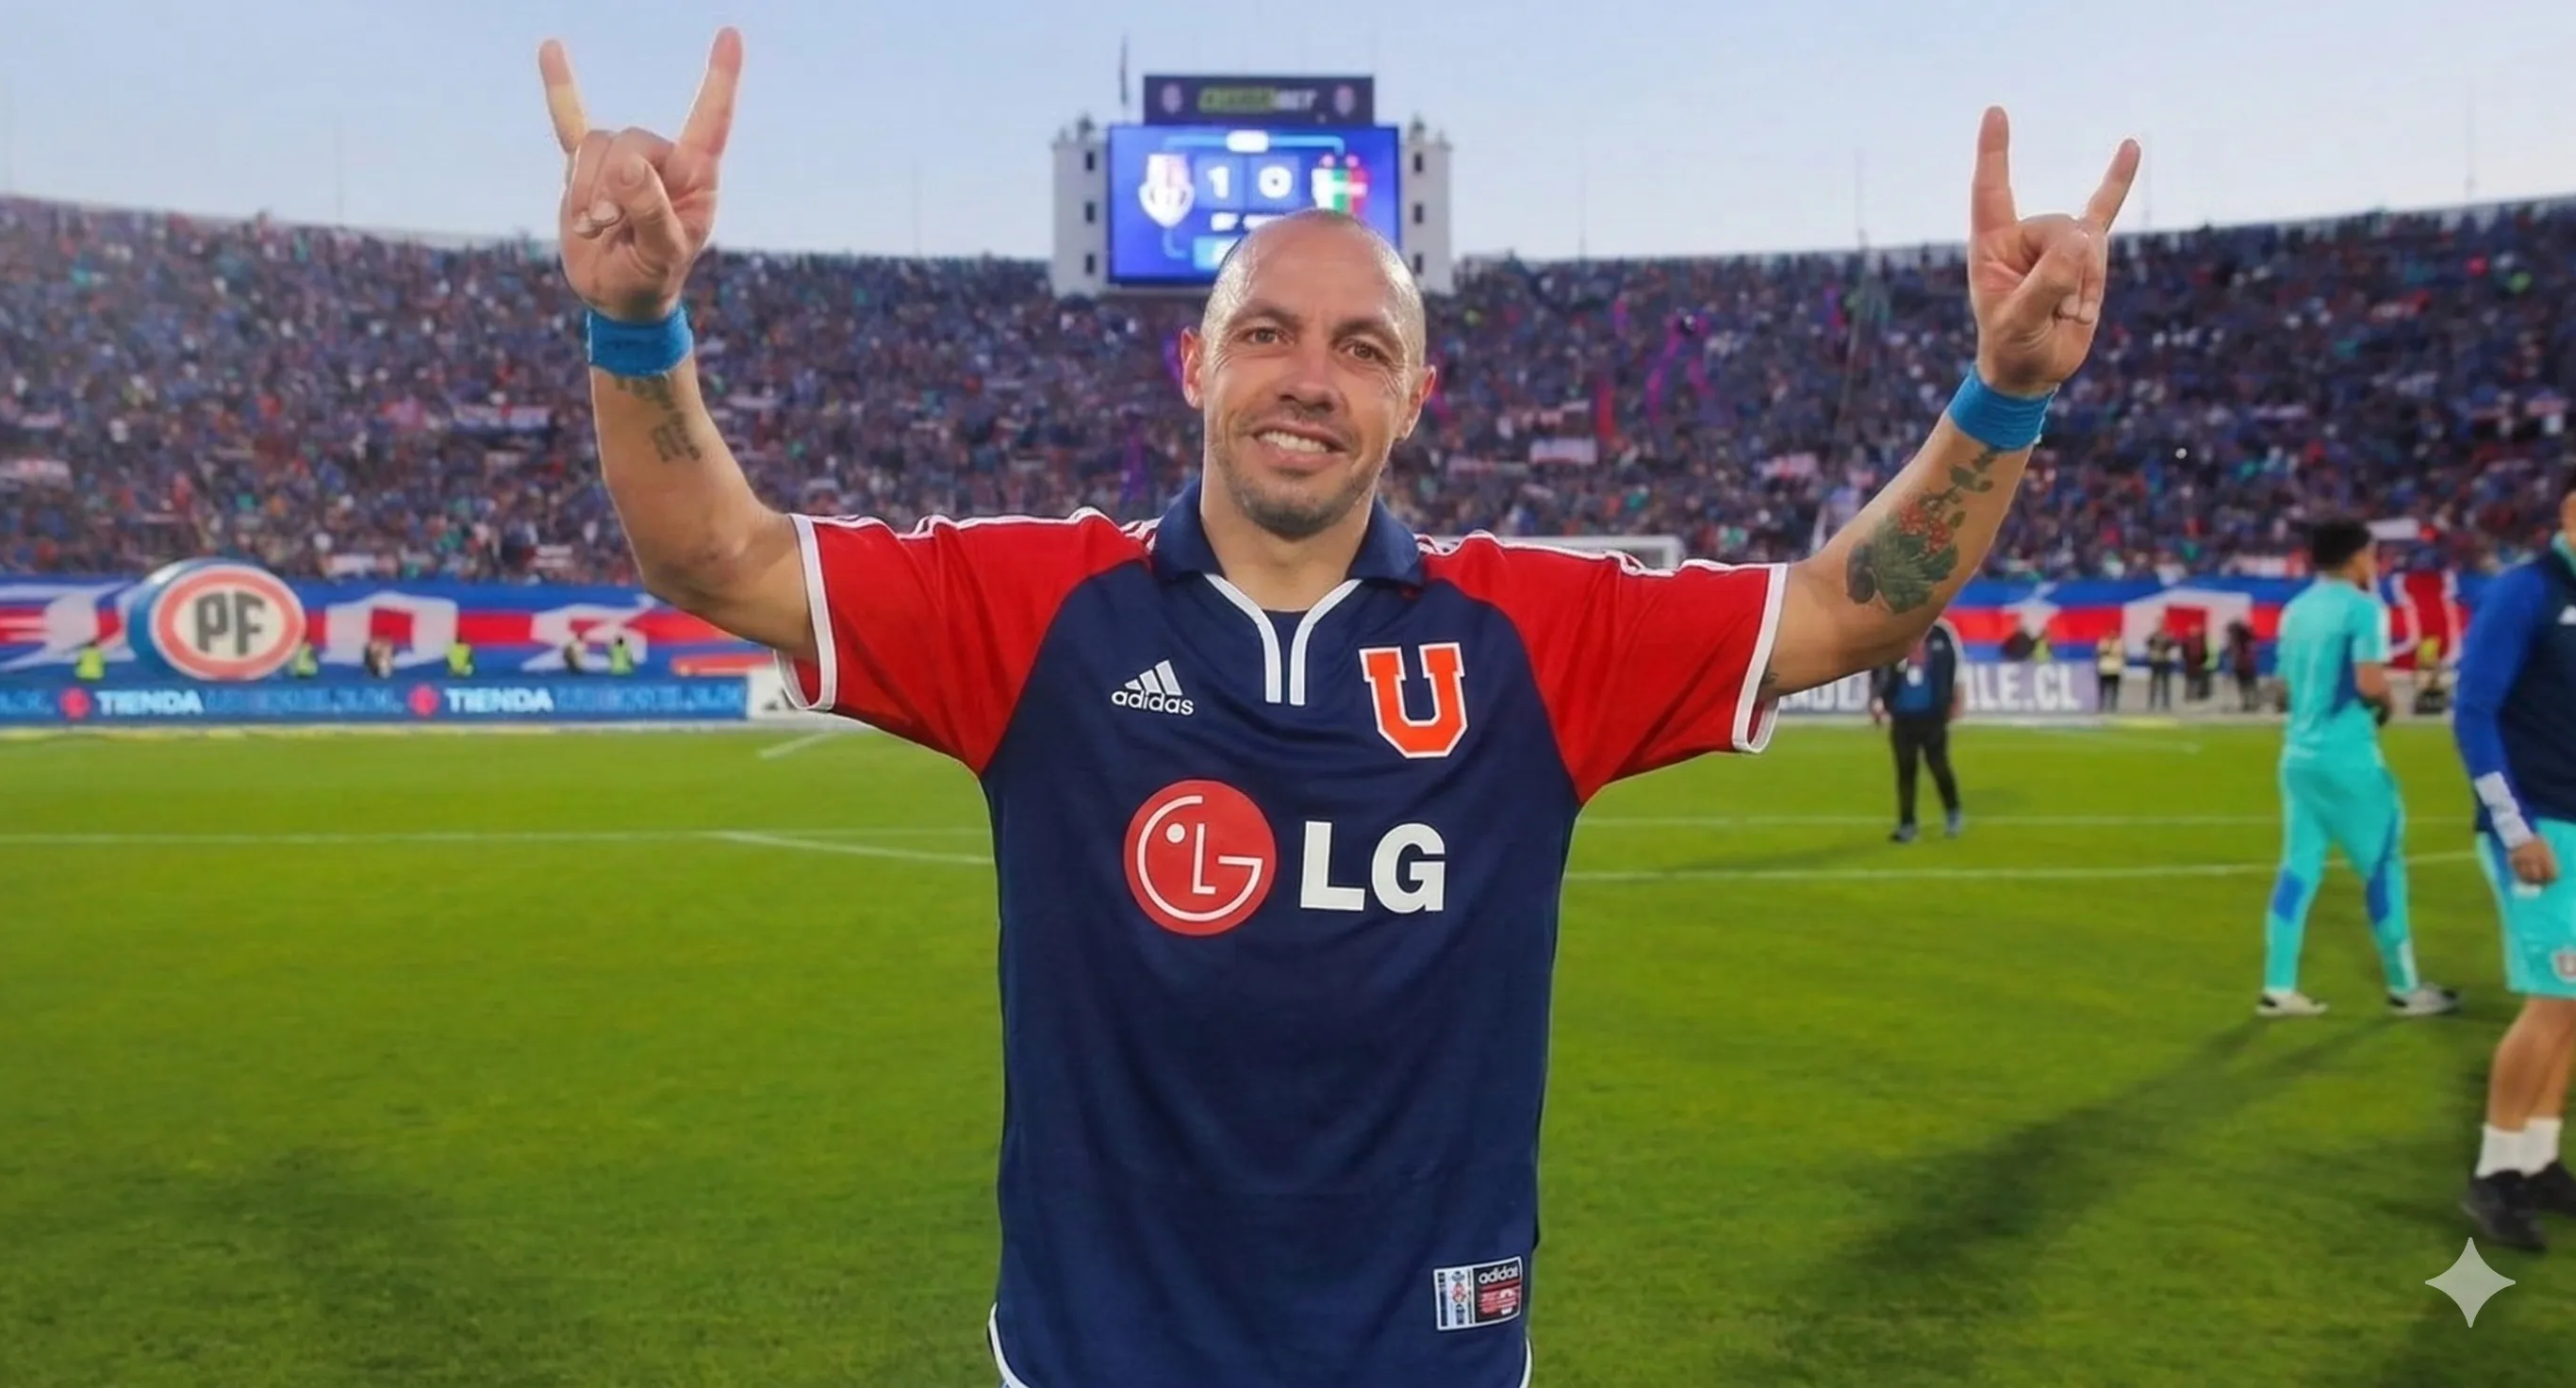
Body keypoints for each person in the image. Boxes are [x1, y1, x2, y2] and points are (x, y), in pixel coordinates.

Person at [540, 28, 2139, 1384]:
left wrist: (2001, 388)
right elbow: (714, 553)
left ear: (1412, 393)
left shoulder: (1531, 630)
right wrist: (634, 320)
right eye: (1267, 335)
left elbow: (1849, 604)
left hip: (1426, 1357)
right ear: (1195, 365)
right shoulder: (1033, 609)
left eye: (1359, 347)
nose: (1308, 378)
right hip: (1097, 1357)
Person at [2254, 518, 2458, 1020]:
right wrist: (2388, 704)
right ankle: (2405, 988)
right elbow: (2369, 681)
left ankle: (2278, 987)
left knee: (2298, 868)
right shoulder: (2363, 609)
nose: (2376, 564)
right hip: (2347, 760)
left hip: (2298, 758)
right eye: (2372, 555)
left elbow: (2280, 689)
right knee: (2384, 866)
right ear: (2354, 558)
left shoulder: (2295, 611)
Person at [2452, 476, 2576, 1251]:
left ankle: (2540, 1156)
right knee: (2551, 997)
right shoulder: (2526, 592)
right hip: (2541, 832)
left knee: (2572, 1003)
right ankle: (2495, 1173)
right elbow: (2474, 710)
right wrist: (2514, 828)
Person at [1870, 620, 1965, 842]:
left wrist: (1957, 698)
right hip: (1902, 715)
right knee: (1905, 772)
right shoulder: (1896, 630)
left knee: (1939, 766)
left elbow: (1957, 666)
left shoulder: (1943, 632)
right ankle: (1907, 824)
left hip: (1933, 714)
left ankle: (1953, 812)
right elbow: (1879, 667)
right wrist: (1877, 701)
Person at [2094, 631, 2124, 712]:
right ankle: (2101, 706)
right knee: (2102, 690)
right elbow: (2099, 652)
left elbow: (2120, 653)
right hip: (2104, 669)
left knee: (2114, 690)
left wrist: (2109, 651)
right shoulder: (2103, 642)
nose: (2112, 634)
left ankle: (2113, 706)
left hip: (2115, 669)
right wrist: (2107, 650)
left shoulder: (2119, 643)